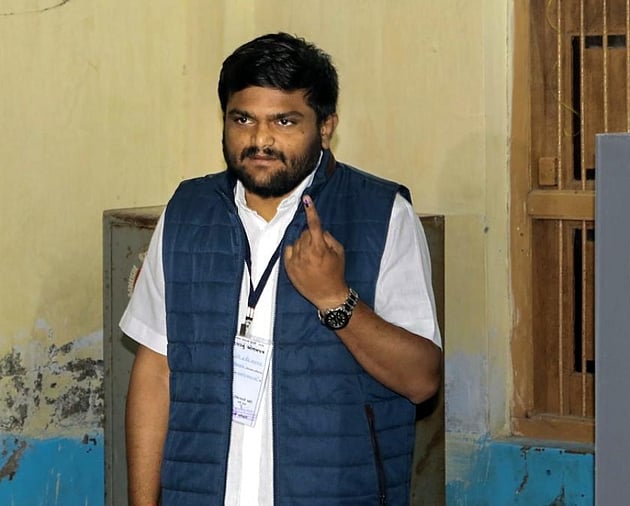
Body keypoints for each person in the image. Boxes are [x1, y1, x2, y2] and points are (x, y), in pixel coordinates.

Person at [121, 32, 443, 506]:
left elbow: (422, 381)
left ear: (326, 125)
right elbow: (155, 372)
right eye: (243, 119)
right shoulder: (188, 211)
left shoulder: (381, 213)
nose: (260, 139)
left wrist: (336, 299)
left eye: (285, 121)